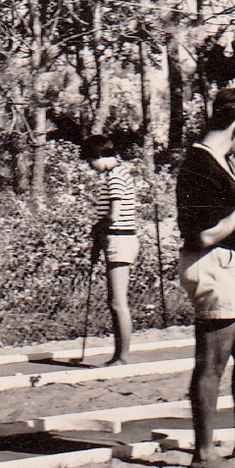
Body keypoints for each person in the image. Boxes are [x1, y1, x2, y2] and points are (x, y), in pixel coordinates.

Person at [175, 87, 235, 468]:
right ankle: (203, 452)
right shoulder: (199, 167)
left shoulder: (220, 161)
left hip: (233, 265)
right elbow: (201, 235)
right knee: (212, 362)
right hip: (213, 265)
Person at [82, 134, 138, 366]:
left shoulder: (115, 177)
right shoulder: (119, 174)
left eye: (89, 161)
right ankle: (119, 354)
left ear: (98, 156)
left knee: (117, 302)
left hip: (120, 240)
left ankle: (122, 357)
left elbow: (114, 215)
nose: (90, 167)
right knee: (115, 301)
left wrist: (96, 227)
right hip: (114, 240)